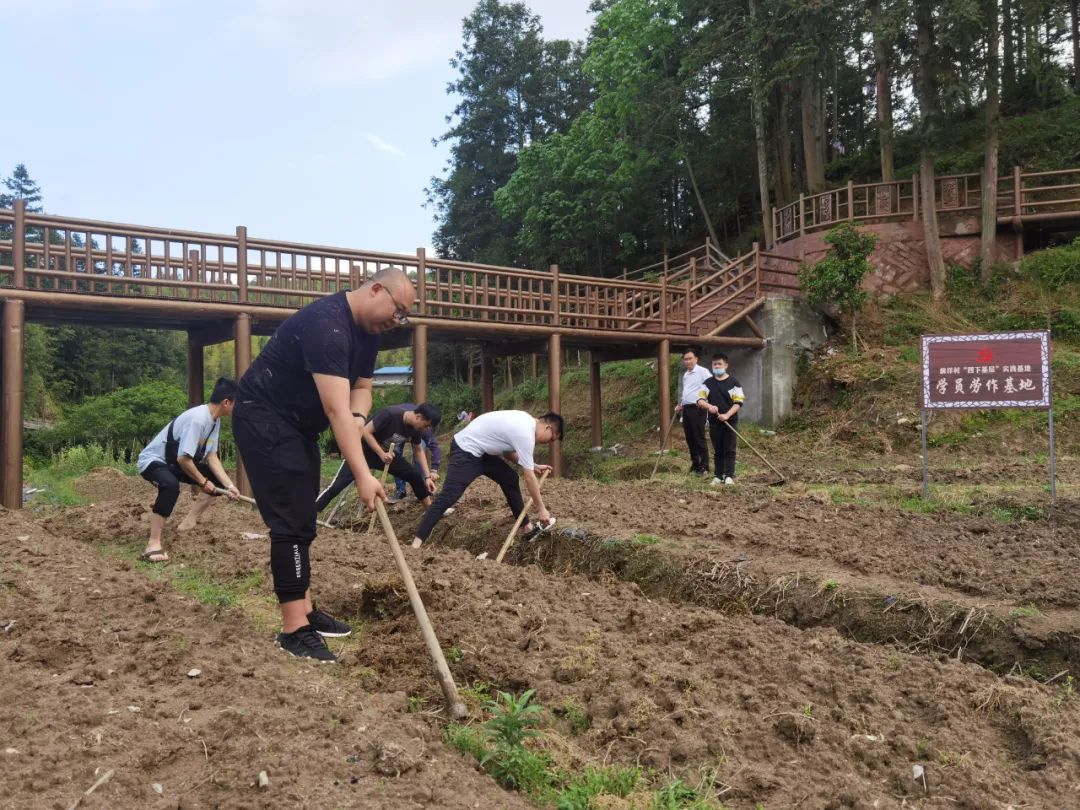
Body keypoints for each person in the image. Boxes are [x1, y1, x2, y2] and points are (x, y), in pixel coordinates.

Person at [232, 267, 414, 663]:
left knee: (303, 518)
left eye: (403, 316)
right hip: (263, 417)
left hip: (298, 426)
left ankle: (306, 609)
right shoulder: (328, 326)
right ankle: (293, 629)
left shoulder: (367, 334)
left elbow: (361, 390)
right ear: (376, 290)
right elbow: (335, 410)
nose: (397, 321)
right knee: (290, 521)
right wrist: (363, 476)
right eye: (398, 310)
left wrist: (360, 420)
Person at [410, 410, 563, 549]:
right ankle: (416, 543)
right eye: (551, 439)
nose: (547, 443)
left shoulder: (525, 420)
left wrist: (533, 465)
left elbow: (507, 451)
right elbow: (529, 478)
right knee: (449, 496)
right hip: (466, 449)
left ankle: (527, 528)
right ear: (548, 428)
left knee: (510, 478)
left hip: (482, 452)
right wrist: (541, 509)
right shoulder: (525, 432)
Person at [136, 377, 241, 563]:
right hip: (154, 460)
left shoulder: (214, 421)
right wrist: (202, 482)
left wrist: (229, 485)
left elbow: (211, 457)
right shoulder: (198, 419)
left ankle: (189, 522)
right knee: (170, 485)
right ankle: (153, 544)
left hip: (174, 463)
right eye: (237, 403)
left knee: (215, 483)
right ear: (226, 402)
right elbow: (183, 459)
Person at [315, 402, 441, 511]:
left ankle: (429, 509)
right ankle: (312, 511)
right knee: (338, 485)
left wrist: (427, 477)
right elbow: (365, 431)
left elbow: (418, 451)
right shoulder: (390, 414)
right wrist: (381, 453)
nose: (426, 429)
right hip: (361, 452)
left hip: (385, 455)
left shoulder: (416, 429)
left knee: (413, 475)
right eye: (426, 425)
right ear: (418, 417)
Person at [696, 353, 745, 485]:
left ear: (726, 365)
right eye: (714, 364)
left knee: (729, 449)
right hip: (714, 422)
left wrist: (727, 415)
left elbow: (738, 402)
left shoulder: (734, 382)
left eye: (719, 364)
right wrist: (709, 406)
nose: (717, 366)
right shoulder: (707, 383)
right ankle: (718, 475)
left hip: (730, 421)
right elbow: (700, 400)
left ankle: (729, 475)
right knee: (718, 450)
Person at [674, 349, 712, 475]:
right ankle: (695, 464)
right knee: (690, 438)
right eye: (686, 359)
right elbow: (687, 391)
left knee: (699, 437)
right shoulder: (686, 375)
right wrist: (680, 404)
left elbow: (711, 386)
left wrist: (703, 400)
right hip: (686, 409)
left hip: (698, 408)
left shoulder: (703, 372)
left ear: (696, 359)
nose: (688, 361)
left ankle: (704, 466)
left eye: (690, 358)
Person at [388, 429, 442, 503]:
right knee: (395, 455)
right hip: (399, 433)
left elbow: (435, 448)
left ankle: (423, 488)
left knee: (419, 453)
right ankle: (401, 491)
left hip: (417, 435)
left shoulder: (424, 429)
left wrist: (434, 470)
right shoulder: (399, 425)